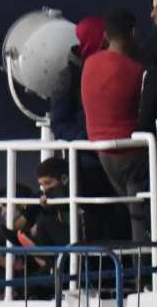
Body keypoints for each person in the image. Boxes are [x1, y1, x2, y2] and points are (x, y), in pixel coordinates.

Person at [50, 16, 129, 243]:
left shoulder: (117, 66)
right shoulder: (69, 76)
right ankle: (101, 277)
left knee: (124, 219)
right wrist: (88, 138)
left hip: (118, 156)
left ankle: (127, 273)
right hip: (89, 165)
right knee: (98, 224)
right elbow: (60, 123)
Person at [81, 7, 149, 240]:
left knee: (134, 211)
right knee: (144, 211)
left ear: (106, 35)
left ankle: (140, 264)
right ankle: (148, 266)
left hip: (101, 152)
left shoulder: (89, 64)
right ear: (133, 32)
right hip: (132, 153)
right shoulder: (136, 70)